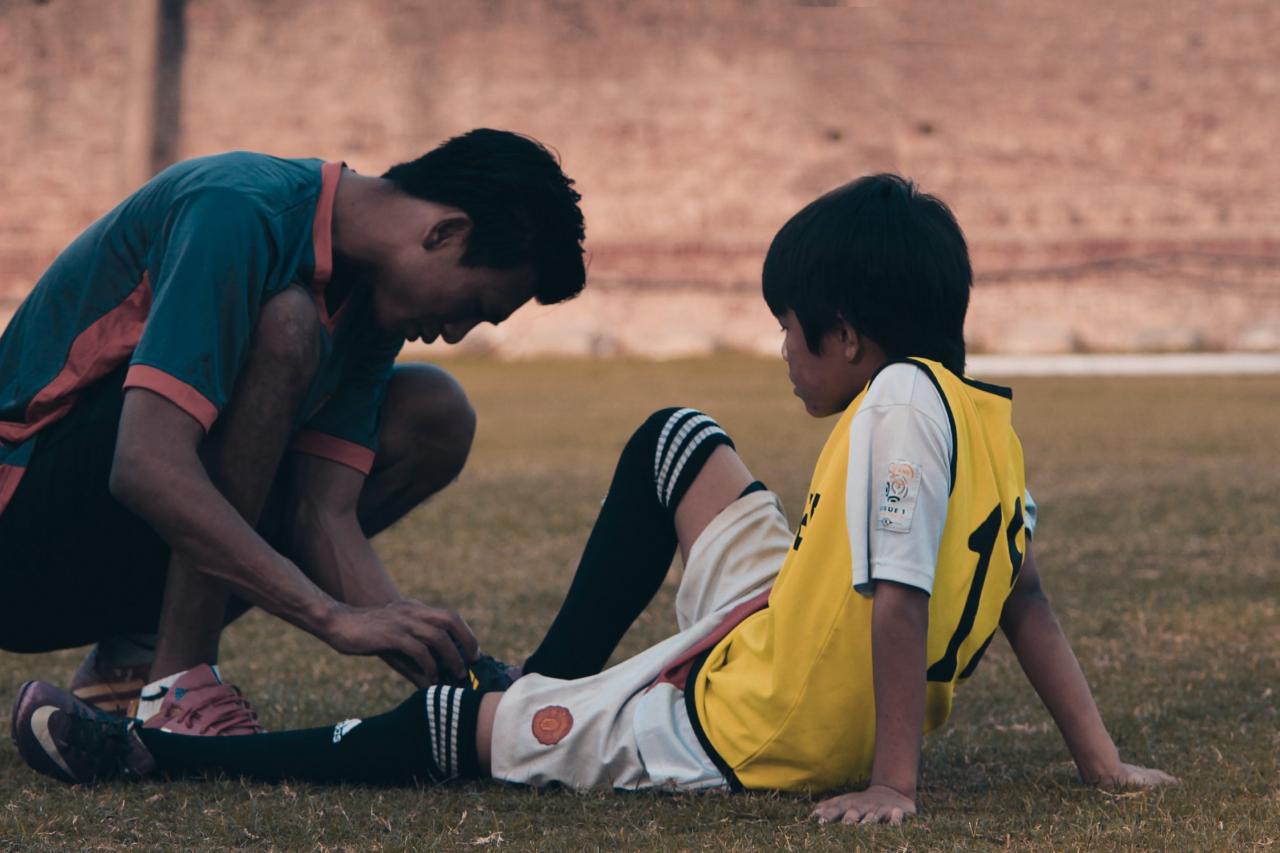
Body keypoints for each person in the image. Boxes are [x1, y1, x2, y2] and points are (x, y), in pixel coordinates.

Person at [10, 174, 1177, 824]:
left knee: (457, 736)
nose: (780, 349)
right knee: (675, 439)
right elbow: (1020, 590)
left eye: (788, 327)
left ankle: (150, 757)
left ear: (848, 335)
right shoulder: (981, 412)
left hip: (755, 721)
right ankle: (551, 681)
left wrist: (890, 783)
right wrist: (1098, 760)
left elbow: (898, 600)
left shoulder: (890, 414)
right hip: (783, 626)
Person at [0, 129, 586, 733]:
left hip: (100, 565)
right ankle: (178, 683)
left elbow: (322, 514)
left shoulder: (373, 301)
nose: (457, 332)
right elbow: (146, 464)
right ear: (446, 232)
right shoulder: (235, 208)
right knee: (288, 323)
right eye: (473, 305)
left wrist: (459, 676)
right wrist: (329, 617)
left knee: (434, 412)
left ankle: (132, 660)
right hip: (18, 538)